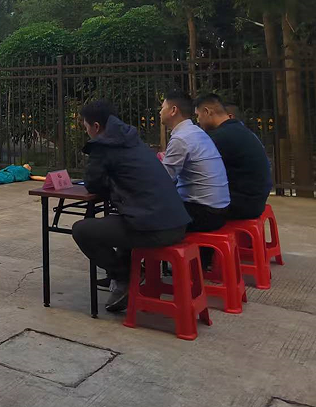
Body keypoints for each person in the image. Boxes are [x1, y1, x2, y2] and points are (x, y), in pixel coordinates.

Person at [72, 101, 191, 312]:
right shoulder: (133, 140)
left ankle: (124, 277)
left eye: (86, 127)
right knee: (120, 220)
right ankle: (125, 277)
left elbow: (93, 184)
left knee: (82, 230)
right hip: (178, 223)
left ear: (96, 126)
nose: (87, 132)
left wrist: (108, 183)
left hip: (155, 229)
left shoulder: (103, 146)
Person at [160, 89, 230, 232]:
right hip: (219, 209)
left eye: (162, 108)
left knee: (143, 214)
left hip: (204, 214)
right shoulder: (196, 132)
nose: (160, 112)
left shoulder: (181, 138)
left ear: (173, 110)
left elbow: (162, 179)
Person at [195, 93, 272, 220]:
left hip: (242, 205)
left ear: (207, 112)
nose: (198, 121)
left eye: (198, 115)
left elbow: (194, 167)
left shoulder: (220, 137)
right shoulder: (239, 130)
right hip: (255, 201)